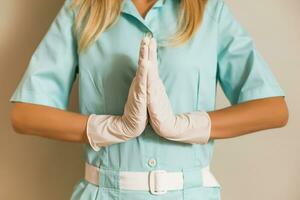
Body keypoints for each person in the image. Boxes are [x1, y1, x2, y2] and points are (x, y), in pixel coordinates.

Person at [9, 0, 289, 199]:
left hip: (191, 194)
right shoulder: (81, 10)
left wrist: (184, 126)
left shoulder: (209, 10)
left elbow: (273, 109)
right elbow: (24, 114)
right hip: (104, 193)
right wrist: (107, 128)